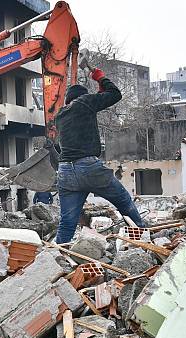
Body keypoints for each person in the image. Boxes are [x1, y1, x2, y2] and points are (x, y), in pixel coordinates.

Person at [54, 68, 145, 244]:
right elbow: (115, 94)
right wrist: (100, 78)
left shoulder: (61, 115)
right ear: (83, 97)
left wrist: (99, 93)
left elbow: (95, 104)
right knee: (124, 201)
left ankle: (58, 255)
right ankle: (142, 236)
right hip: (88, 168)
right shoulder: (85, 102)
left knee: (67, 222)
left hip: (65, 171)